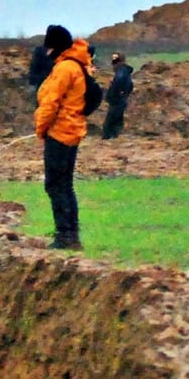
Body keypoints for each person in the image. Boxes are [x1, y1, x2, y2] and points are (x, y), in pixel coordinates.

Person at [34, 24, 94, 251]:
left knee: (55, 184)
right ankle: (71, 234)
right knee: (65, 184)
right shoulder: (77, 65)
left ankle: (64, 235)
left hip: (60, 132)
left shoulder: (64, 69)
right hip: (72, 131)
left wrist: (41, 128)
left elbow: (51, 103)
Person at [101, 53, 134, 139]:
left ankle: (108, 137)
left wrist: (113, 94)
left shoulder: (121, 71)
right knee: (117, 119)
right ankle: (114, 136)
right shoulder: (123, 71)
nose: (113, 61)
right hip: (120, 99)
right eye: (113, 58)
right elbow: (130, 85)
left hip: (117, 99)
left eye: (115, 58)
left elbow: (120, 83)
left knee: (110, 120)